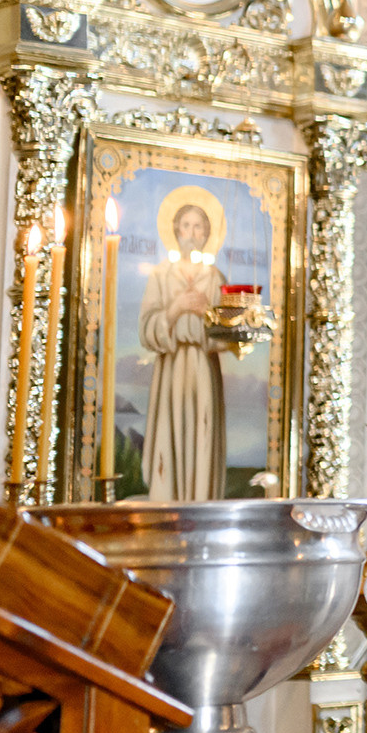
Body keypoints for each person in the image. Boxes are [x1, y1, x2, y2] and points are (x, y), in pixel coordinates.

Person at [138, 190, 228, 501]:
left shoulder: (215, 278)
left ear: (207, 234)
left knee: (202, 435)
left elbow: (226, 333)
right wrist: (175, 308)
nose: (191, 233)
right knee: (169, 434)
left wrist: (208, 313)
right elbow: (147, 329)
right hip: (171, 369)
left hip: (204, 368)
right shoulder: (162, 275)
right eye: (186, 225)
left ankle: (200, 502)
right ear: (176, 230)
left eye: (198, 226)